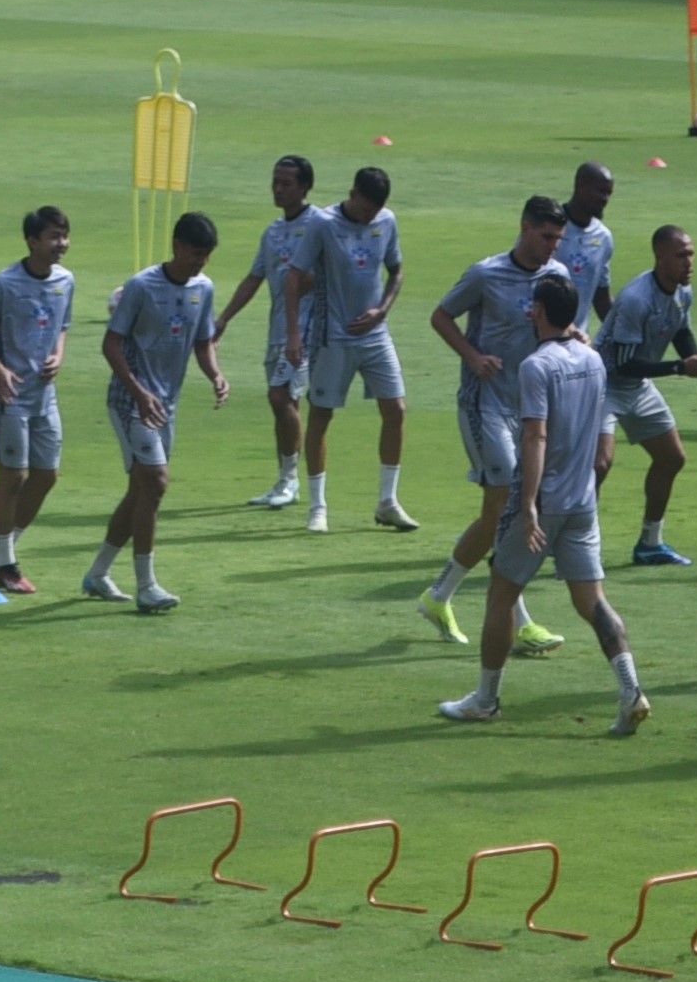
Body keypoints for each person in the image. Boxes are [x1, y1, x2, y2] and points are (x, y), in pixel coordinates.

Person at [436, 276, 649, 736]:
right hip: (582, 501)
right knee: (592, 601)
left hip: (544, 500)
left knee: (501, 593)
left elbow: (535, 436)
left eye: (533, 306)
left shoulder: (537, 366)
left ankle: (486, 700)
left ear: (541, 311)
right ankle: (630, 689)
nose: (528, 312)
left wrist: (527, 504)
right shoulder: (592, 359)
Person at [419, 196, 572, 655]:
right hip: (484, 404)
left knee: (499, 515)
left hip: (529, 410)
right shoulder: (486, 274)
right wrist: (473, 356)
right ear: (525, 228)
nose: (552, 247)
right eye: (546, 237)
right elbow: (441, 316)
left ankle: (439, 595)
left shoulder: (557, 277)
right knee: (508, 505)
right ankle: (519, 622)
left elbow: (563, 330)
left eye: (558, 239)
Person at [90, 211, 226, 612]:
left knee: (141, 491)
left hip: (166, 403)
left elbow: (203, 342)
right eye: (195, 253)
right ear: (177, 247)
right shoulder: (141, 287)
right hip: (130, 401)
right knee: (157, 482)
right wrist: (138, 391)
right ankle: (147, 585)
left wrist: (216, 375)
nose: (200, 262)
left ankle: (97, 574)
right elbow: (111, 344)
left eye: (206, 256)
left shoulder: (204, 288)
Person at [280, 165, 415, 536]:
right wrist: (293, 336)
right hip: (332, 336)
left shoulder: (386, 221)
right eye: (365, 208)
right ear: (352, 194)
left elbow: (397, 270)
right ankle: (317, 506)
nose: (370, 216)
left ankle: (387, 502)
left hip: (375, 335)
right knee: (321, 416)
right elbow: (293, 279)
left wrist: (382, 310)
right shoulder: (323, 224)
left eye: (375, 211)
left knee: (396, 409)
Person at [598, 224, 697, 568]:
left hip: (638, 385)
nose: (688, 262)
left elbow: (681, 329)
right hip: (603, 385)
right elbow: (622, 363)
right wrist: (680, 369)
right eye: (681, 256)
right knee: (598, 465)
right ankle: (575, 546)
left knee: (671, 458)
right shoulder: (636, 298)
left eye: (691, 254)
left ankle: (650, 543)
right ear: (659, 256)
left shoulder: (682, 292)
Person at [0, 206, 74, 596]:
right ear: (31, 241)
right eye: (52, 237)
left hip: (43, 396)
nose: (60, 244)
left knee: (46, 475)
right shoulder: (4, 284)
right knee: (12, 476)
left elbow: (62, 326)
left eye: (64, 236)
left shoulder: (66, 281)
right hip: (8, 395)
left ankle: (1, 546)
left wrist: (59, 356)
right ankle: (6, 565)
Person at [217, 155, 317, 511]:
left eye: (286, 183)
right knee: (286, 403)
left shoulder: (319, 225)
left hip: (307, 332)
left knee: (280, 397)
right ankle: (286, 479)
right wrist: (224, 317)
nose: (278, 189)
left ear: (305, 187)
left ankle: (290, 481)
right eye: (275, 181)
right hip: (279, 331)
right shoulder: (272, 232)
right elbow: (254, 278)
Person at [553, 161, 619, 327]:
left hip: (577, 343)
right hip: (540, 340)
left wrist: (619, 332)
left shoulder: (603, 237)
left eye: (609, 193)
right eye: (601, 192)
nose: (605, 199)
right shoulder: (549, 227)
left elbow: (601, 295)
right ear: (580, 186)